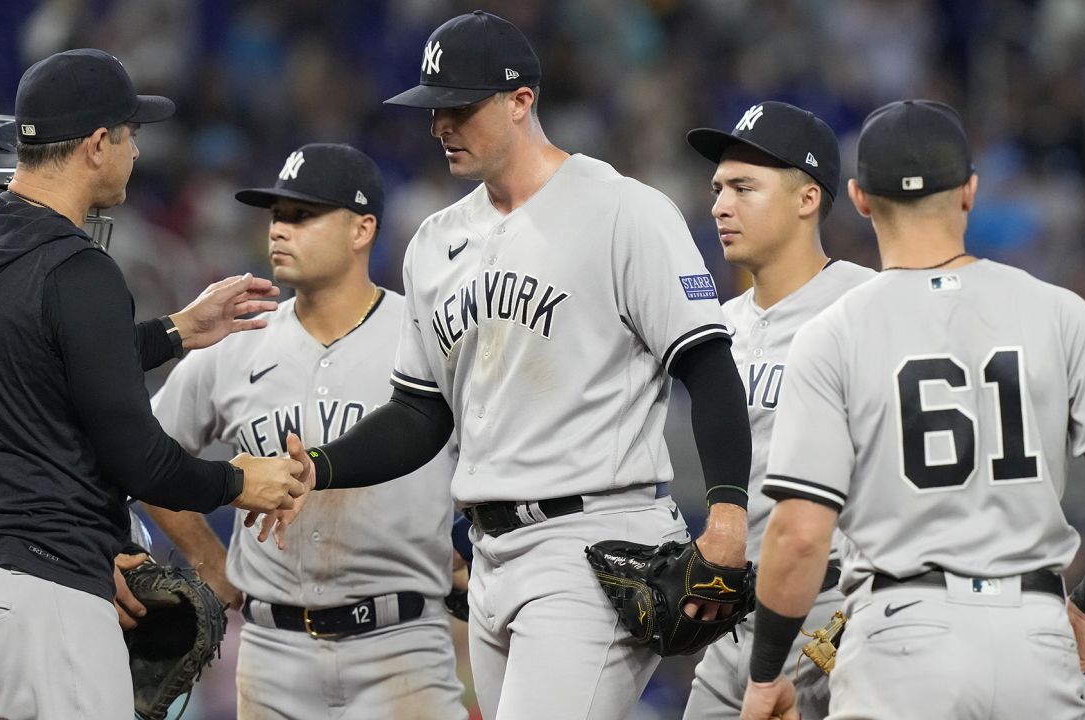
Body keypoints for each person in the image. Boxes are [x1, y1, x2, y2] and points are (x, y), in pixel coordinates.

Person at [259, 11, 754, 719]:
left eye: (460, 107)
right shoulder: (435, 240)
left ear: (522, 101)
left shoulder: (622, 211)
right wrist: (322, 467)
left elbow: (707, 367)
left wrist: (729, 515)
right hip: (490, 557)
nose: (441, 126)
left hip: (597, 542)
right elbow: (420, 410)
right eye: (435, 110)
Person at [0, 49, 309, 720]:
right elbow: (140, 461)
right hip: (34, 604)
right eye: (129, 133)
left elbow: (40, 353)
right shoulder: (77, 270)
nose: (137, 151)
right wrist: (238, 482)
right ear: (96, 145)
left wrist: (175, 329)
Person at [741, 100, 1085, 720]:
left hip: (902, 637)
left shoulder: (833, 333)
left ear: (858, 197)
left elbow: (800, 535)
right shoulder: (1059, 312)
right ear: (969, 190)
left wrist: (767, 673)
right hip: (1035, 637)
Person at [147, 142, 467, 719]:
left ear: (362, 229)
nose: (280, 230)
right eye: (276, 215)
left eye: (304, 215)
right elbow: (144, 457)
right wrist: (207, 559)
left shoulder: (423, 336)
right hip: (272, 651)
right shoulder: (236, 342)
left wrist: (468, 549)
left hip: (403, 646)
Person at [680, 101, 875, 720]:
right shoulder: (712, 331)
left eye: (744, 187)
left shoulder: (866, 306)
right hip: (731, 622)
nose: (719, 206)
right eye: (717, 188)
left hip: (833, 616)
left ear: (807, 198)